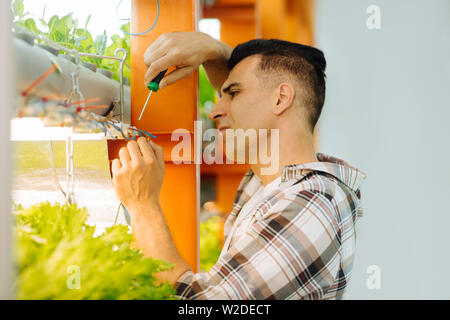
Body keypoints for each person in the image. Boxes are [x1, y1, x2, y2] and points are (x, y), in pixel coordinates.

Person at [111, 32, 366, 300]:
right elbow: (252, 104)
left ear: (280, 99)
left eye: (233, 93)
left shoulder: (311, 204)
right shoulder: (275, 184)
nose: (215, 111)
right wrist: (215, 52)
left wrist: (142, 205)